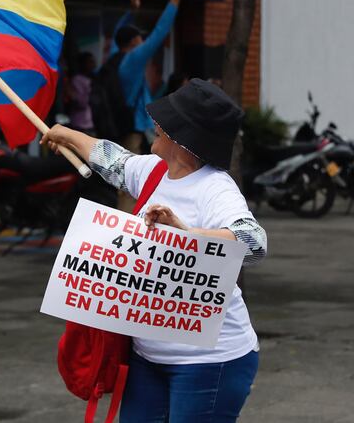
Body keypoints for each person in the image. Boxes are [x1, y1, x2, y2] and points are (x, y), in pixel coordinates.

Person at [41, 79, 267, 422]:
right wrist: (66, 134)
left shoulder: (217, 189)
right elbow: (112, 160)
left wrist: (187, 233)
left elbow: (253, 244)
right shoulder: (153, 170)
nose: (155, 124)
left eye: (166, 122)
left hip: (210, 361)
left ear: (182, 138)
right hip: (148, 358)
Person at [109, 0, 192, 154]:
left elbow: (119, 30)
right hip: (133, 130)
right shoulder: (132, 60)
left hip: (119, 125)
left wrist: (133, 7)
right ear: (133, 42)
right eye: (140, 38)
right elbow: (160, 32)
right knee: (132, 175)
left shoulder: (114, 54)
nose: (143, 42)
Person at [65, 51, 97, 134]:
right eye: (89, 61)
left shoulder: (94, 79)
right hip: (81, 123)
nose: (93, 64)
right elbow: (81, 102)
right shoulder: (77, 80)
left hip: (91, 123)